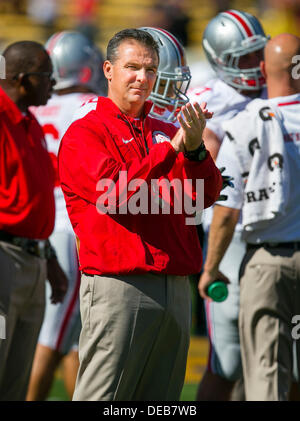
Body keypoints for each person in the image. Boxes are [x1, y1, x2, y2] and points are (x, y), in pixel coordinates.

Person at [58, 28, 222, 401]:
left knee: (162, 402)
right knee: (104, 398)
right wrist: (170, 151)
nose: (142, 78)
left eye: (150, 70)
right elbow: (114, 193)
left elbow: (205, 194)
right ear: (109, 70)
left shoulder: (166, 129)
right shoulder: (86, 132)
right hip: (120, 285)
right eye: (132, 67)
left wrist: (195, 152)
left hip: (175, 283)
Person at [198, 33, 300, 401]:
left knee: (264, 373)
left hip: (265, 258)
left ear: (263, 67)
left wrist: (210, 267)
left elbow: (225, 209)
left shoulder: (245, 121)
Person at [187, 9, 269, 401]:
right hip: (230, 231)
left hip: (278, 230)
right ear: (221, 60)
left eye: (258, 54)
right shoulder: (207, 98)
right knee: (229, 359)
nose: (255, 66)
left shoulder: (280, 86)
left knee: (281, 352)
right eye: (244, 59)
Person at [26, 31, 105, 401]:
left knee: (71, 335)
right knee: (53, 337)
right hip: (71, 228)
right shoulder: (92, 105)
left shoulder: (34, 107)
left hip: (41, 226)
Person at [0, 40, 68, 401]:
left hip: (33, 260)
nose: (53, 85)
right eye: (47, 77)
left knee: (17, 377)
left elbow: (36, 202)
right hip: (3, 259)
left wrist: (51, 260)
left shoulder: (30, 123)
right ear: (24, 79)